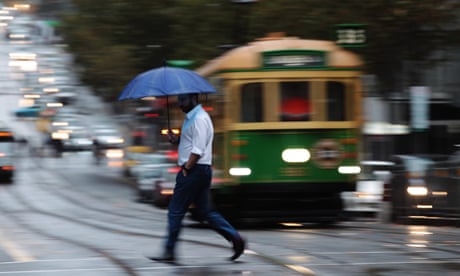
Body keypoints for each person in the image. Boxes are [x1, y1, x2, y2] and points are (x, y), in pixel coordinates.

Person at [149, 93, 246, 263]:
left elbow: (198, 149)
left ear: (194, 99)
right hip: (199, 171)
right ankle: (235, 238)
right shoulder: (191, 118)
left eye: (183, 100)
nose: (180, 104)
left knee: (175, 211)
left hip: (194, 170)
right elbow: (191, 143)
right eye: (179, 100)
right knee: (206, 211)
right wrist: (177, 140)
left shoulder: (199, 118)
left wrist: (187, 167)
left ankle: (169, 252)